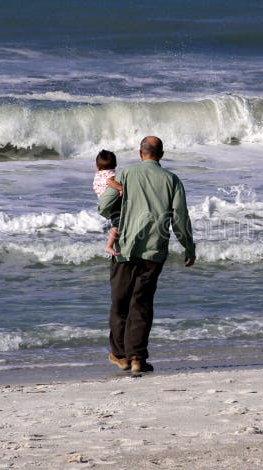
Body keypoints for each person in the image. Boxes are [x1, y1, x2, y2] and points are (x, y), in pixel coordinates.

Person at [98, 136, 196, 374]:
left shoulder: (126, 174)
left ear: (140, 153)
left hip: (123, 249)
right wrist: (188, 246)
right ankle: (137, 359)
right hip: (153, 251)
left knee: (120, 304)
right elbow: (180, 219)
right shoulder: (172, 180)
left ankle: (120, 355)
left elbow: (103, 206)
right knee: (141, 305)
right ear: (161, 154)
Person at [93, 150, 125, 256]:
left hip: (104, 201)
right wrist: (120, 188)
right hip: (113, 202)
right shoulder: (111, 174)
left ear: (97, 166)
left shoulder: (98, 174)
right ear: (115, 165)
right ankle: (109, 246)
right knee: (116, 224)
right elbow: (110, 182)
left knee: (115, 221)